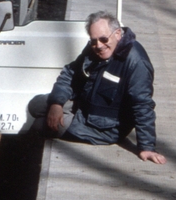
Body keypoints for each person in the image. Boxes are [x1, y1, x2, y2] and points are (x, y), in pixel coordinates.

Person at [28, 11, 167, 164]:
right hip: (85, 105)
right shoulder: (94, 48)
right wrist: (57, 103)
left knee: (39, 124)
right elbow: (70, 73)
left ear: (118, 34)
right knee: (35, 105)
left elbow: (142, 105)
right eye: (93, 41)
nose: (98, 46)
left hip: (104, 127)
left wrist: (147, 146)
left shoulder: (136, 63)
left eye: (103, 39)